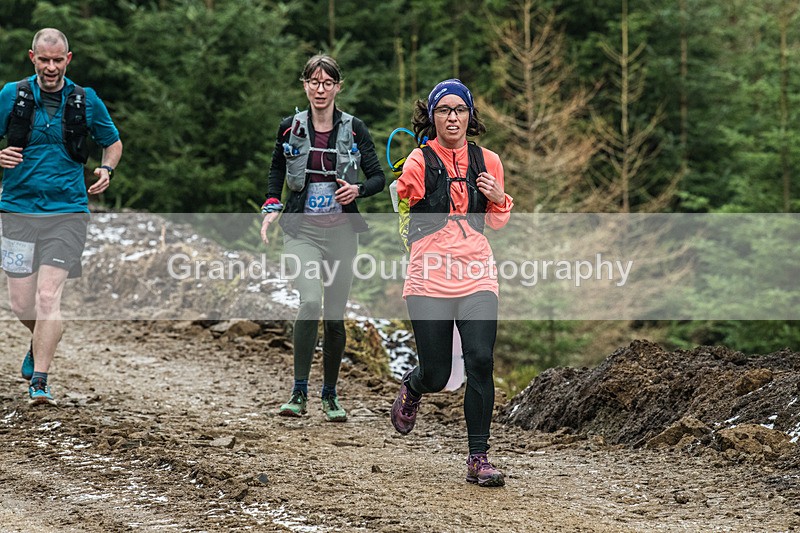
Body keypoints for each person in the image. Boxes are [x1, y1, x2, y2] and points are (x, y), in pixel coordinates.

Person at [390, 79, 513, 487]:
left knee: (480, 360)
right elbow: (405, 209)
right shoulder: (418, 160)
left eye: (460, 109)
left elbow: (496, 222)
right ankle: (414, 384)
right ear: (432, 117)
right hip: (429, 275)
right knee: (439, 373)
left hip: (477, 271)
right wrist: (406, 189)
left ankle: (479, 458)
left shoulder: (488, 161)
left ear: (470, 115)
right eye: (444, 110)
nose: (453, 117)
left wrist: (498, 195)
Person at [0, 28, 122, 405]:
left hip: (67, 212)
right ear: (31, 57)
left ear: (68, 59)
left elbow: (112, 142)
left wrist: (106, 169)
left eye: (58, 60)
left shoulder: (85, 100)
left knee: (48, 296)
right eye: (44, 59)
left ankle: (40, 381)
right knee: (22, 304)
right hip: (18, 210)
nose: (51, 67)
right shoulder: (11, 95)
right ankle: (40, 341)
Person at [260, 54, 385, 422]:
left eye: (327, 83)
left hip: (343, 234)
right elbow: (276, 169)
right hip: (303, 231)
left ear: (337, 87)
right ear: (305, 85)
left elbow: (378, 176)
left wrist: (358, 191)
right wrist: (271, 204)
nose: (320, 89)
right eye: (313, 82)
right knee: (310, 301)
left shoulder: (355, 128)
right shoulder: (290, 127)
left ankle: (330, 395)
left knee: (334, 316)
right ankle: (298, 392)